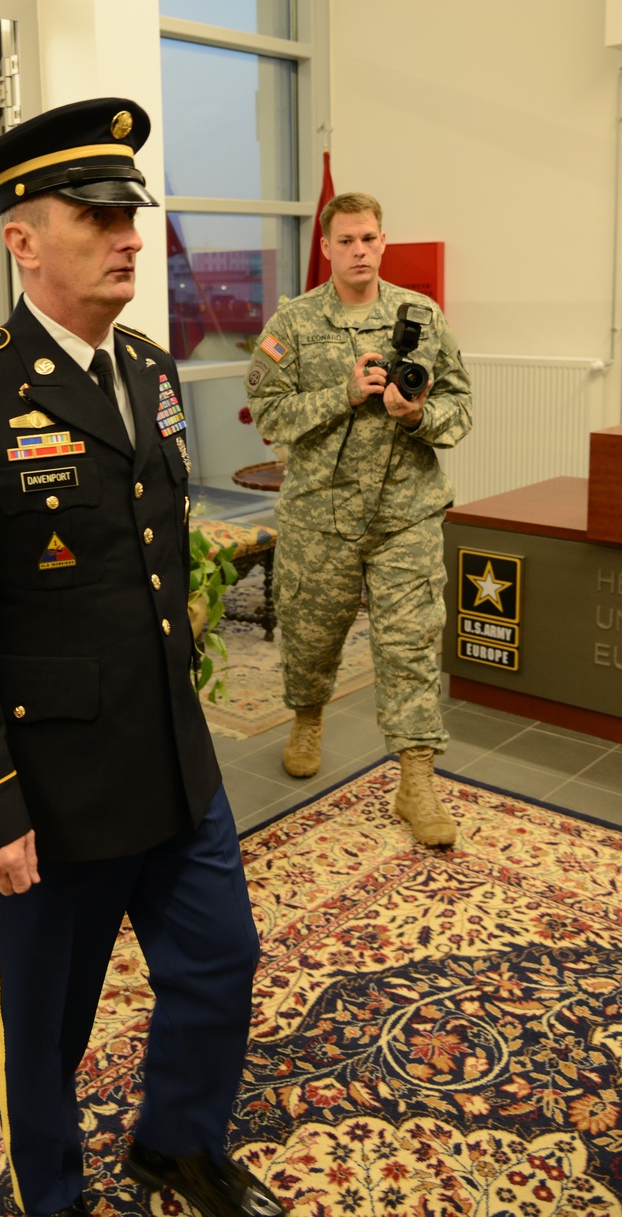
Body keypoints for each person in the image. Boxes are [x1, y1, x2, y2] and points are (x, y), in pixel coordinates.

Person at [0, 98, 283, 1217]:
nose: (127, 234)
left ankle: (176, 1141)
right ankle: (42, 1196)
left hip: (167, 757)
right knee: (40, 1033)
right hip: (44, 794)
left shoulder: (144, 367)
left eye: (129, 213)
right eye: (96, 214)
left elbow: (147, 553)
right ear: (22, 240)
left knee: (219, 966)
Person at [246, 190, 472, 847]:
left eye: (370, 238)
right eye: (346, 240)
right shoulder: (291, 324)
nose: (360, 251)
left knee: (408, 647)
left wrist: (416, 414)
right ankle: (307, 717)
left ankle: (416, 780)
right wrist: (341, 394)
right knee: (313, 636)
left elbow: (459, 409)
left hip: (406, 512)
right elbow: (268, 414)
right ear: (325, 247)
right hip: (320, 513)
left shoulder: (422, 317)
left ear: (382, 241)